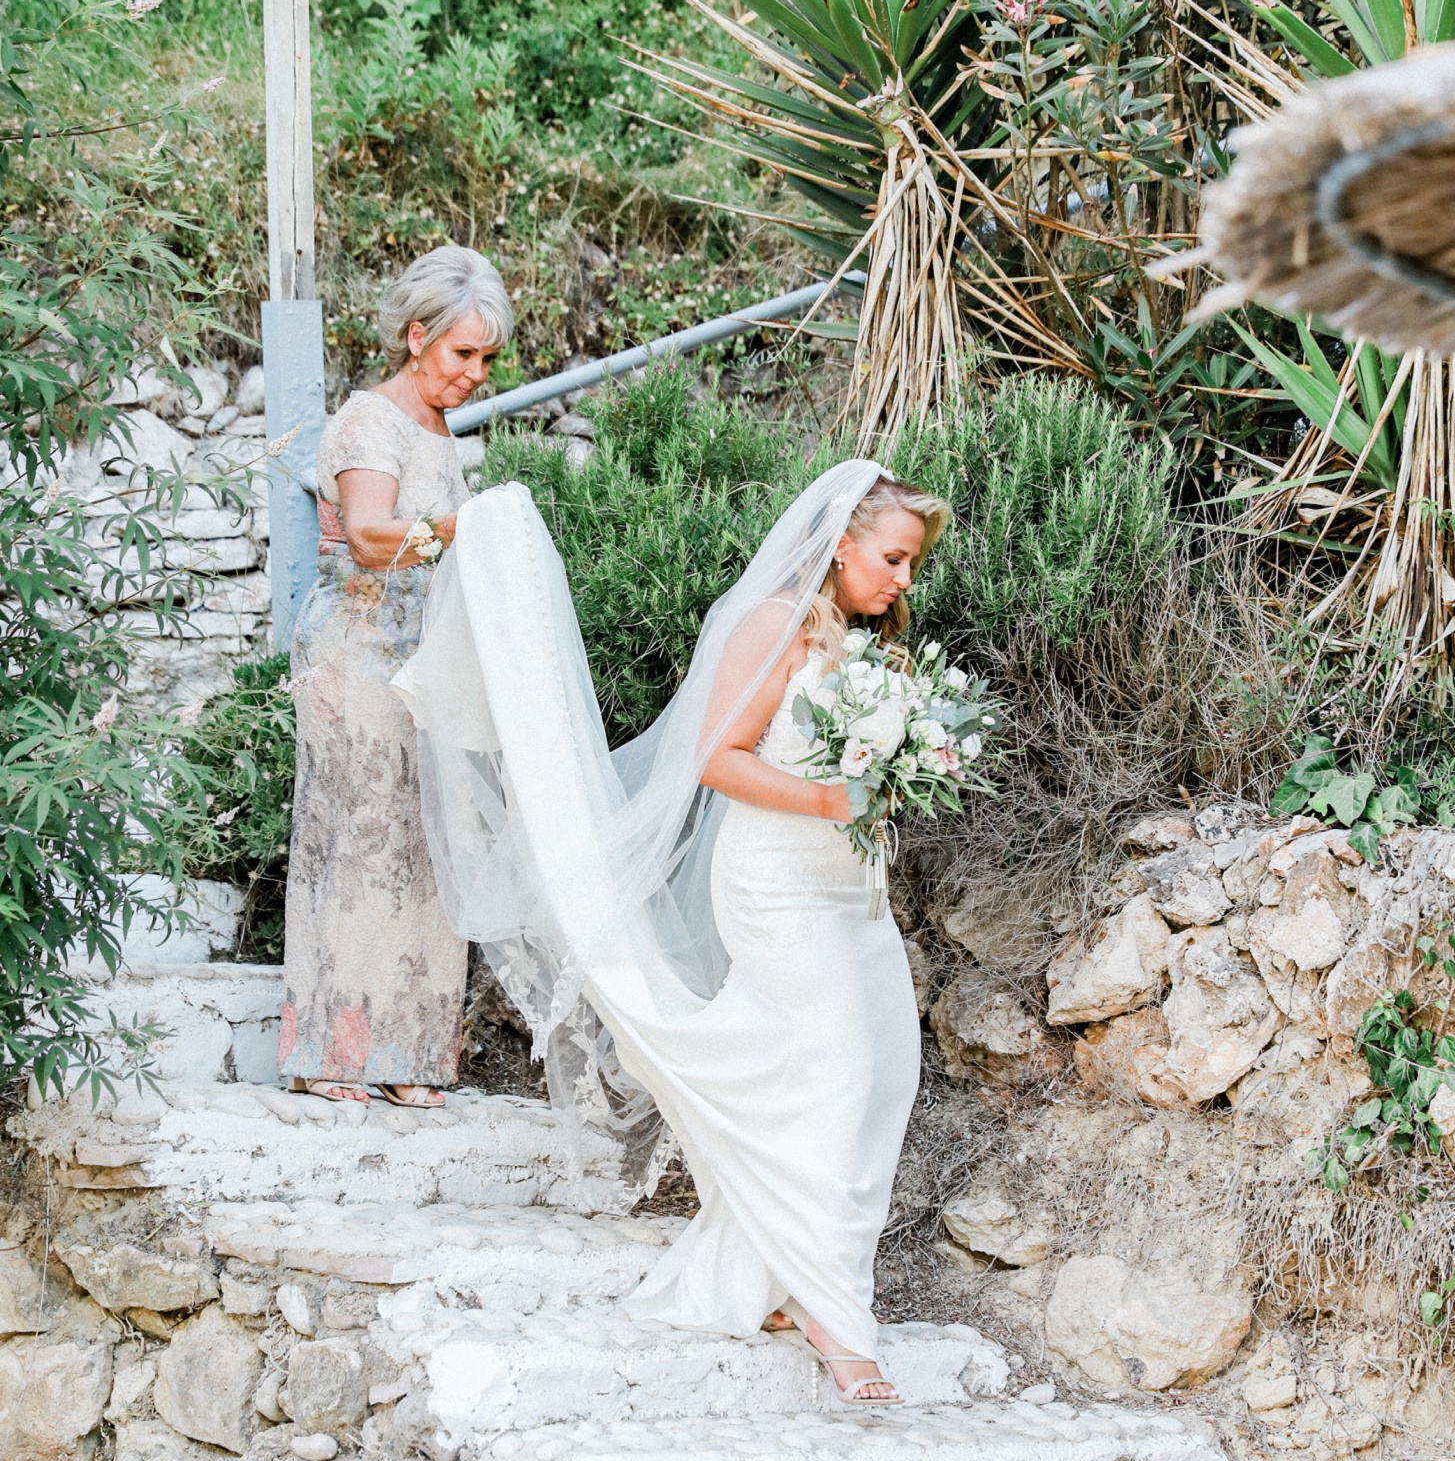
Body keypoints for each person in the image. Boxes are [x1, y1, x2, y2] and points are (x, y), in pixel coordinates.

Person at [394, 458, 950, 1402]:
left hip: (851, 890)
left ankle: (778, 1273)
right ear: (840, 544)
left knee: (888, 1068)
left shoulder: (866, 644)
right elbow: (716, 758)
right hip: (775, 883)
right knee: (842, 1069)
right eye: (894, 558)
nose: (903, 580)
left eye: (911, 566)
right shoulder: (773, 623)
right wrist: (833, 794)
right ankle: (837, 1315)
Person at [277, 245, 511, 1107]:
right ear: (418, 338)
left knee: (424, 842)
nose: (476, 373)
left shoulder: (438, 430)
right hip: (358, 653)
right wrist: (466, 527)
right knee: (358, 838)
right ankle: (330, 1051)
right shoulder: (369, 421)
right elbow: (372, 534)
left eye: (487, 359)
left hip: (425, 657)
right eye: (463, 354)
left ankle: (407, 1052)